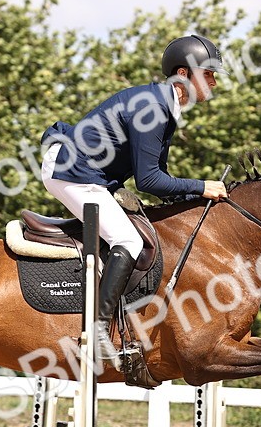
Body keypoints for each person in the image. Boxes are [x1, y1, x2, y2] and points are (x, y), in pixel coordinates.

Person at [40, 34, 228, 367]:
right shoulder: (153, 107)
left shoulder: (163, 105)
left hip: (87, 174)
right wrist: (201, 187)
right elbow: (149, 180)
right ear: (183, 75)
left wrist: (202, 197)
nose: (214, 82)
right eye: (208, 74)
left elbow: (157, 180)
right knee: (127, 239)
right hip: (71, 171)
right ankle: (96, 330)